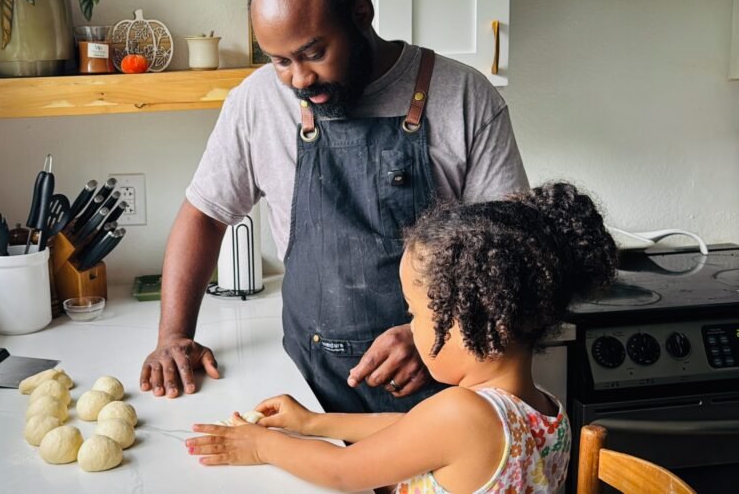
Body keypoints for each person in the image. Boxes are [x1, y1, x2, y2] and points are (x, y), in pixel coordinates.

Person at [140, 0, 529, 413]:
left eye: (313, 52)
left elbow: (512, 253)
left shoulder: (464, 97)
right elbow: (204, 214)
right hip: (305, 390)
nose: (299, 80)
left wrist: (432, 335)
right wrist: (174, 335)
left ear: (361, 15)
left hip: (438, 395)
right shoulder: (256, 101)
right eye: (280, 61)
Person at [185, 183, 618, 493]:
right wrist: (313, 424)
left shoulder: (465, 414)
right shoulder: (542, 406)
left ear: (479, 322)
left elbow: (343, 471)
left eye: (415, 312)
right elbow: (410, 431)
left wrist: (264, 446)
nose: (410, 327)